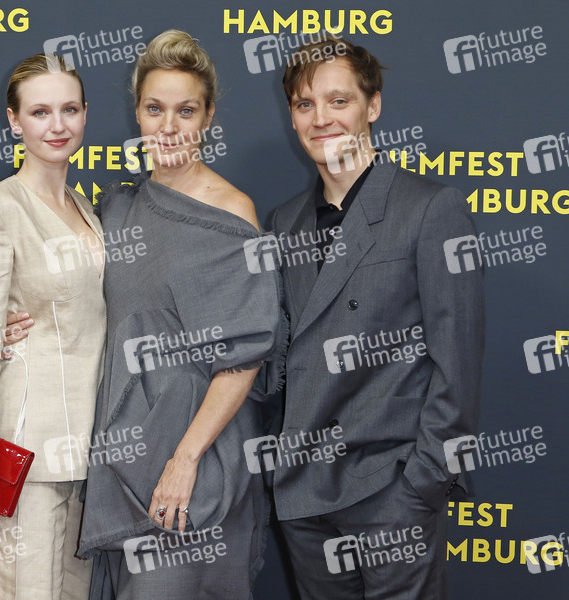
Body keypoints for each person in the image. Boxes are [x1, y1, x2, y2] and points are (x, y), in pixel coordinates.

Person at [268, 36, 485, 599]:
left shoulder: (430, 208)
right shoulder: (285, 224)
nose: (321, 119)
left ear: (374, 105)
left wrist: (422, 483)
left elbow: (457, 362)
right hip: (303, 496)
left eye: (338, 101)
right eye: (305, 104)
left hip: (391, 490)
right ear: (292, 116)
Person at [76, 30, 287, 599]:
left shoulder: (232, 212)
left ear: (208, 116)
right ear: (138, 114)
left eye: (185, 111)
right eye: (155, 109)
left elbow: (244, 357)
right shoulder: (118, 208)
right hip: (128, 462)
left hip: (198, 466)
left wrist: (184, 460)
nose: (168, 127)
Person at [0, 53, 105, 600]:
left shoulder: (85, 208)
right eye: (39, 112)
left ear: (85, 113)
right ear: (14, 121)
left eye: (69, 109)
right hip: (23, 455)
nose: (57, 125)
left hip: (87, 453)